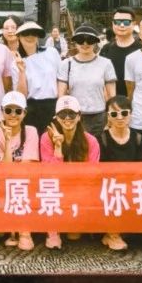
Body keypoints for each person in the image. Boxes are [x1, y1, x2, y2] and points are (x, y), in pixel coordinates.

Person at [39, 95, 100, 249]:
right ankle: (52, 231)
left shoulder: (91, 141)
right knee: (48, 189)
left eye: (71, 114)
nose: (67, 118)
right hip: (56, 188)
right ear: (56, 117)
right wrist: (58, 148)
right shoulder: (46, 138)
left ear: (79, 116)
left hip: (80, 187)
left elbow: (92, 174)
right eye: (62, 114)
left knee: (74, 235)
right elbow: (49, 174)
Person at [96, 94, 142, 251]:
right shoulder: (101, 139)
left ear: (130, 114)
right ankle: (113, 234)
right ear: (108, 116)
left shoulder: (139, 138)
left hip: (133, 185)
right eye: (114, 114)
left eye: (124, 113)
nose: (119, 117)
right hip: (109, 187)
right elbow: (99, 171)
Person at [0, 90, 39, 251]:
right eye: (8, 110)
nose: (13, 115)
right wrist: (7, 141)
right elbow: (5, 169)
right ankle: (12, 229)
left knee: (21, 186)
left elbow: (28, 165)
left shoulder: (31, 131)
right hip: (4, 181)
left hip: (26, 180)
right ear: (2, 112)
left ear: (24, 113)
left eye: (18, 111)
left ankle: (24, 231)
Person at [57, 24, 117, 135]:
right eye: (80, 40)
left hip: (99, 117)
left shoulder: (106, 63)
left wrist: (112, 117)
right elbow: (61, 95)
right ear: (75, 42)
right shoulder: (66, 64)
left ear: (95, 42)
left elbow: (112, 95)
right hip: (74, 117)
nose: (85, 44)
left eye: (90, 40)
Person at [17, 21, 60, 134]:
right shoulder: (17, 61)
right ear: (19, 37)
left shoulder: (51, 52)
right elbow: (21, 95)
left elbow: (60, 79)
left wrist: (61, 105)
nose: (30, 36)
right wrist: (21, 71)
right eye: (26, 34)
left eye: (34, 33)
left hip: (53, 105)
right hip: (31, 107)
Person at [100, 6, 141, 85]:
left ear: (134, 24)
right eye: (117, 22)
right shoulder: (106, 49)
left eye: (126, 22)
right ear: (113, 24)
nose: (122, 25)